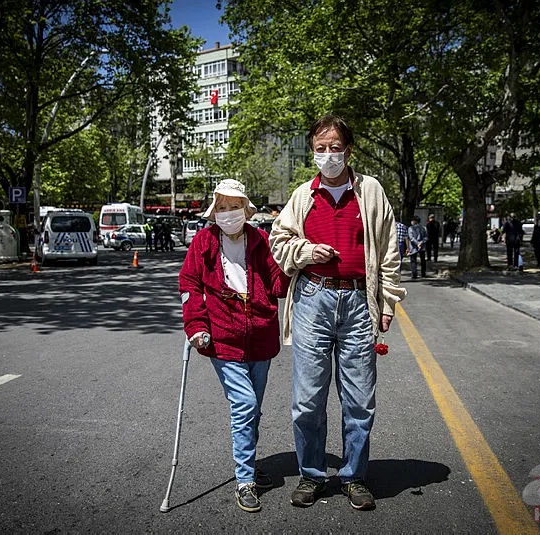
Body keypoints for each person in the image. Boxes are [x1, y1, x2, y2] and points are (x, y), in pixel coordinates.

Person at [270, 114, 406, 511]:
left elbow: (388, 252)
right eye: (320, 148)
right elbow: (279, 243)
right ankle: (312, 474)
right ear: (312, 151)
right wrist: (306, 251)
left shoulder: (372, 191)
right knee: (308, 399)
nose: (328, 155)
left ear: (348, 149)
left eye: (335, 147)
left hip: (359, 302)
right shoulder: (302, 196)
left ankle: (354, 476)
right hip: (313, 300)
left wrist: (387, 304)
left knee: (359, 399)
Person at [179, 179, 289, 513]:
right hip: (222, 337)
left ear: (246, 210)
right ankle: (244, 479)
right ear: (215, 213)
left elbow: (278, 285)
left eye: (234, 207)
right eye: (222, 208)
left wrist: (291, 259)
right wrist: (196, 326)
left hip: (260, 336)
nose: (228, 214)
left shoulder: (261, 240)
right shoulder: (204, 241)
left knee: (253, 407)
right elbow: (189, 283)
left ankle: (250, 463)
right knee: (243, 404)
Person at [408, 215, 427, 279]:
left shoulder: (410, 228)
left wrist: (417, 243)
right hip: (422, 246)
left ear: (415, 221)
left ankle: (414, 274)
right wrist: (421, 243)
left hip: (413, 246)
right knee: (423, 260)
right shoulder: (423, 228)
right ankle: (423, 273)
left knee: (413, 260)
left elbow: (411, 238)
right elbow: (426, 237)